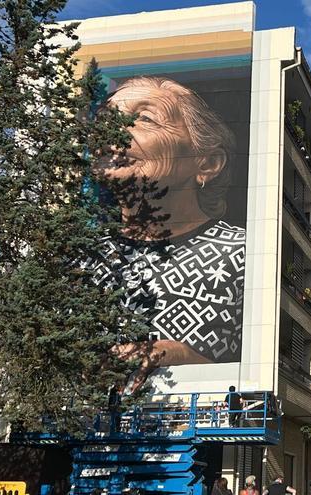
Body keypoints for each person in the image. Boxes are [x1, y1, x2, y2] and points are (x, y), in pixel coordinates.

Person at [86, 75, 246, 388]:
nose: (113, 131)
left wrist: (182, 356)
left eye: (145, 118)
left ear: (207, 162)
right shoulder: (78, 259)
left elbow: (258, 372)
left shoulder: (243, 253)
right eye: (106, 120)